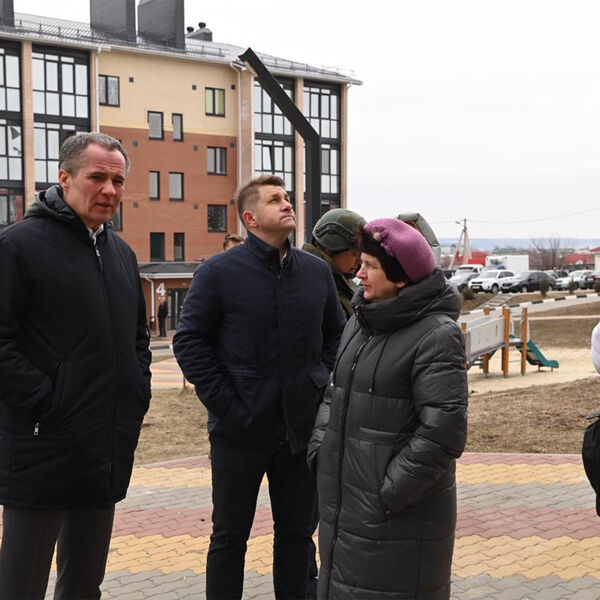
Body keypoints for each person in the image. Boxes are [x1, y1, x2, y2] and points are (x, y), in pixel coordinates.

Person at [173, 174, 345, 600]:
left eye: (287, 197)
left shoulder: (316, 272)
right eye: (274, 200)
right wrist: (229, 406)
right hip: (238, 433)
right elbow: (189, 342)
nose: (287, 204)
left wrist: (317, 384)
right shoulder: (218, 273)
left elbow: (337, 337)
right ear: (250, 218)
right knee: (229, 538)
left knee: (296, 537)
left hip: (300, 431)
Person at [0, 132, 151, 599]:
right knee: (21, 585)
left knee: (85, 585)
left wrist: (135, 392)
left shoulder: (122, 254)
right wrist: (48, 402)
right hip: (40, 444)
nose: (109, 190)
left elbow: (138, 340)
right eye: (97, 177)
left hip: (102, 447)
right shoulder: (17, 245)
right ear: (64, 178)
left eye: (118, 181)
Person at [308, 218, 468, 599]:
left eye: (370, 266)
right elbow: (334, 393)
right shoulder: (360, 323)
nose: (358, 274)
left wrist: (386, 493)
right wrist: (321, 450)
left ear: (400, 277)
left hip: (398, 518)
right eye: (360, 263)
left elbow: (443, 433)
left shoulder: (436, 335)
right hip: (345, 506)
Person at [302, 207, 365, 597]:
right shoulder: (316, 278)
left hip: (324, 411)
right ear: (336, 246)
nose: (359, 261)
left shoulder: (335, 279)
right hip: (313, 414)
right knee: (306, 517)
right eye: (355, 251)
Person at [303, 208, 366, 319]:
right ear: (330, 249)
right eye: (354, 254)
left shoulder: (341, 282)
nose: (359, 260)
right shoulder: (311, 284)